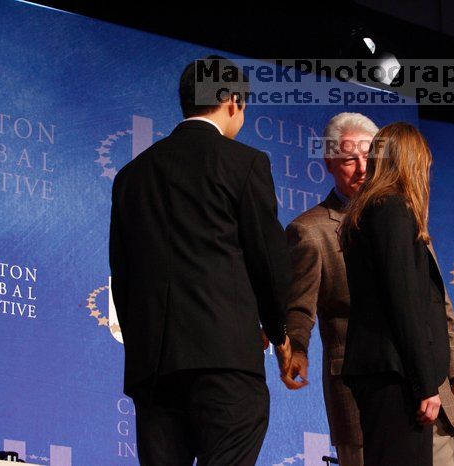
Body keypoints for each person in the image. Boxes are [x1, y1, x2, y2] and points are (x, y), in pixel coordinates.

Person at [109, 56, 292, 466]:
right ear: (231, 101)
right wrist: (279, 331)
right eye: (243, 105)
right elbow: (268, 258)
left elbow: (122, 277)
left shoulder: (131, 176)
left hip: (153, 367)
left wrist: (144, 348)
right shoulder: (244, 163)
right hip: (224, 361)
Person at [282, 113, 454, 466]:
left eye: (367, 156)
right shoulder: (312, 230)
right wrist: (296, 346)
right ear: (329, 163)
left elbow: (436, 304)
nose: (361, 168)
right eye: (348, 159)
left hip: (432, 390)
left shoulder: (408, 214)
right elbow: (299, 304)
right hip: (377, 391)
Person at [326, 121, 454, 466]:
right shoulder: (391, 209)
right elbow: (405, 303)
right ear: (412, 163)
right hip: (395, 376)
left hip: (389, 373)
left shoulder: (373, 210)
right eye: (425, 165)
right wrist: (425, 384)